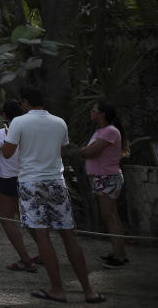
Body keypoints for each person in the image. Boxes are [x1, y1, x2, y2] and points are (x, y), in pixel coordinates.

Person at [2, 88, 105, 304]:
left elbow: (8, 153)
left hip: (31, 182)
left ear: (25, 103)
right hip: (56, 181)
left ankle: (57, 289)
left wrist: (8, 132)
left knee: (42, 236)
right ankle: (88, 290)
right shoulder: (59, 122)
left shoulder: (19, 122)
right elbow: (63, 151)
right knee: (69, 235)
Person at [0, 100, 39, 272]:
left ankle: (25, 259)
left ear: (4, 115)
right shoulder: (29, 131)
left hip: (6, 179)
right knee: (29, 218)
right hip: (26, 178)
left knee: (7, 219)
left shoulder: (1, 133)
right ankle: (44, 251)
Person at [78, 101, 129, 268]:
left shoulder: (110, 131)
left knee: (110, 216)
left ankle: (119, 257)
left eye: (94, 110)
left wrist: (83, 150)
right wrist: (85, 150)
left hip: (107, 178)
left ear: (102, 114)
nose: (91, 112)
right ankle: (119, 252)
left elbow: (91, 151)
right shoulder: (102, 131)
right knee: (112, 216)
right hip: (103, 178)